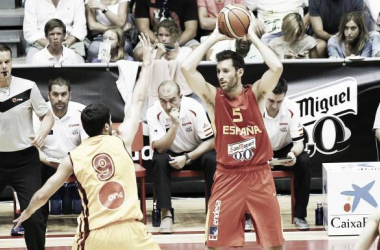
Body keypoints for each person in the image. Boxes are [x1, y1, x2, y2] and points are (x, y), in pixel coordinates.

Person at [13, 34, 160, 250]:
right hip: (134, 231)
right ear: (108, 126)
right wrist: (147, 64)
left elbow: (44, 193)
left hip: (96, 234)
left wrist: (27, 211)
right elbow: (138, 100)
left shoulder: (74, 157)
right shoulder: (122, 141)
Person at [181, 15, 285, 249]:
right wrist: (214, 38)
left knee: (275, 244)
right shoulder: (212, 97)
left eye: (226, 71)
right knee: (216, 244)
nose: (220, 76)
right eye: (218, 71)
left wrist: (254, 38)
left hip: (259, 174)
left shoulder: (256, 94)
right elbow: (185, 67)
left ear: (239, 72)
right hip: (227, 177)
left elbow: (277, 67)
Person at [0, 43, 54, 250]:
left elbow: (47, 116)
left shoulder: (27, 86)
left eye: (7, 62)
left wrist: (41, 133)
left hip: (25, 161)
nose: (4, 66)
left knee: (34, 217)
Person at [146, 80, 216, 234]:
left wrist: (188, 157)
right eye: (163, 101)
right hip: (170, 154)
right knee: (158, 159)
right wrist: (175, 125)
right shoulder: (153, 112)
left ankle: (214, 211)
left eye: (172, 100)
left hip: (196, 153)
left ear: (180, 97)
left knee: (213, 159)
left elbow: (211, 141)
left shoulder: (194, 107)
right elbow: (161, 147)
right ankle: (166, 214)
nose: (168, 105)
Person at [34, 77, 87, 229]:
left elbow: (88, 145)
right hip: (47, 162)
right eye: (55, 94)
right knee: (32, 168)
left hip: (75, 162)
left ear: (70, 94)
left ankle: (95, 220)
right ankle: (37, 221)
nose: (59, 99)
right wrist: (49, 161)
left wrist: (70, 162)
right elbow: (33, 149)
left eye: (63, 94)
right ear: (48, 95)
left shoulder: (81, 111)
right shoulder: (37, 113)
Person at [263, 78, 312, 231]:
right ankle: (247, 216)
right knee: (242, 163)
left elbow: (299, 143)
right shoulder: (253, 106)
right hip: (259, 149)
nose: (275, 106)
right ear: (264, 94)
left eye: (279, 101)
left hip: (284, 147)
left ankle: (299, 215)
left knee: (303, 162)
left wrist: (292, 154)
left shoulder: (292, 108)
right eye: (271, 100)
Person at [134, 0, 199, 61]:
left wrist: (176, 44)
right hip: (153, 38)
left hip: (181, 37)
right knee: (139, 52)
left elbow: (191, 30)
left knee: (197, 51)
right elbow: (143, 28)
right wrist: (159, 43)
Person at [245, 0, 309, 44]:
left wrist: (307, 17)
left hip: (294, 34)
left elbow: (315, 5)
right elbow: (241, 9)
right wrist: (254, 19)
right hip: (269, 37)